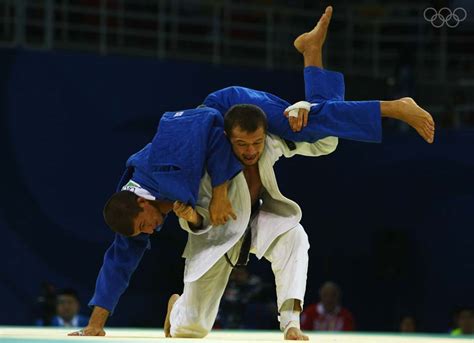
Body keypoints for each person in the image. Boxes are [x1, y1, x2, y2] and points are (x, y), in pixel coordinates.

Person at [71, 6, 434, 339]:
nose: (150, 232)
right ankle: (311, 53)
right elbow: (121, 256)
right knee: (192, 330)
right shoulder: (132, 204)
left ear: (140, 203)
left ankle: (393, 106)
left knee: (307, 126)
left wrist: (219, 192)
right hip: (220, 224)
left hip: (232, 108)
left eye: (145, 225)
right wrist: (95, 324)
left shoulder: (164, 158)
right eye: (144, 231)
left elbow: (212, 125)